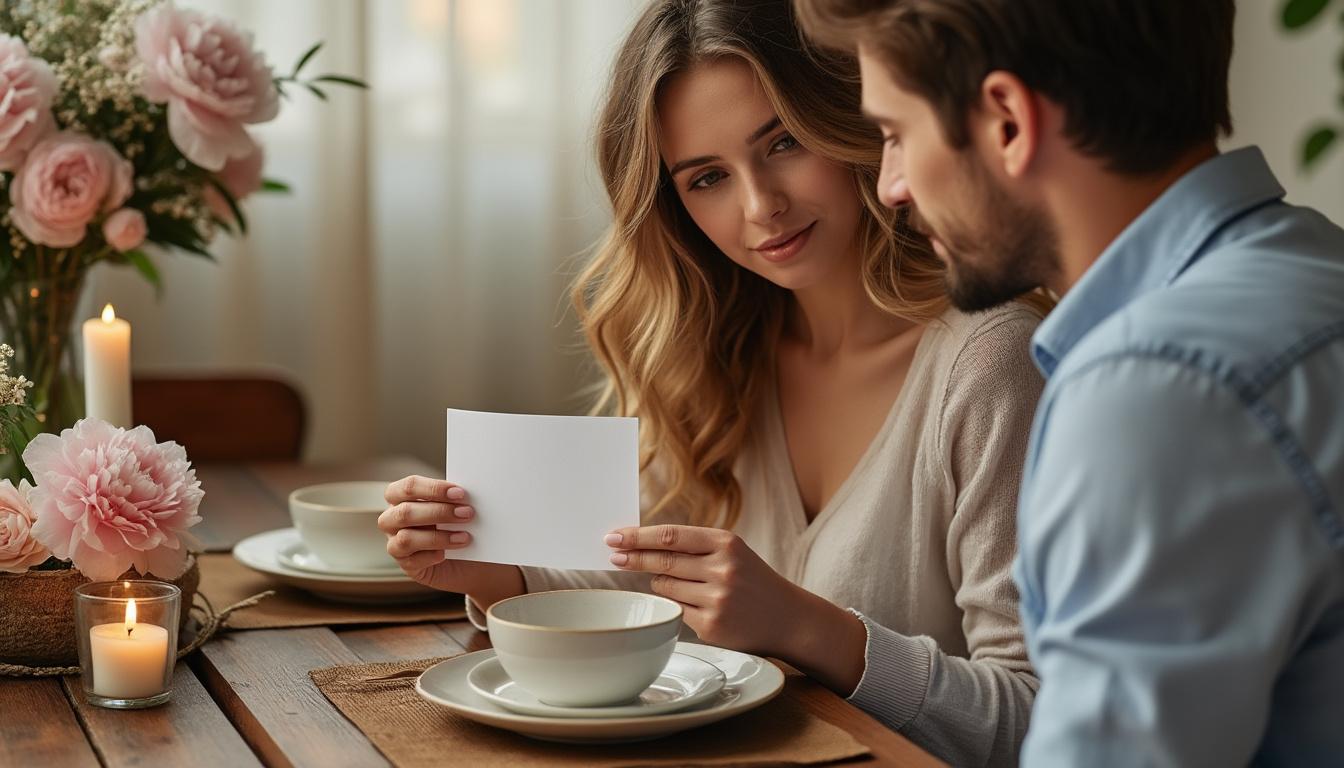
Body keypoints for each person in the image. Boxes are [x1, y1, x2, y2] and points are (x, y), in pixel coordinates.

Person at [382, 1, 1049, 762]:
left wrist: (804, 626)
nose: (761, 206)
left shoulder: (993, 365)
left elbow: (1033, 722)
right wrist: (497, 570)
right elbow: (648, 585)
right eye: (707, 179)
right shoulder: (719, 353)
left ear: (855, 120)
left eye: (785, 141)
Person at [794, 0, 1344, 764]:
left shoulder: (1153, 388)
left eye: (895, 134)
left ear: (1008, 122)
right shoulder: (1316, 264)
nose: (890, 186)